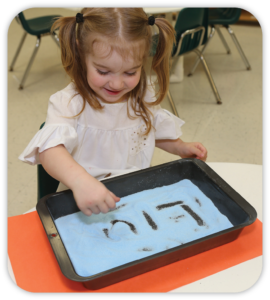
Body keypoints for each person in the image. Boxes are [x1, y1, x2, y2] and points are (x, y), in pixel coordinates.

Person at [19, 7, 207, 217]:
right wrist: (81, 182)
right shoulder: (68, 102)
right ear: (81, 52)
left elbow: (150, 131)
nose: (117, 83)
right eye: (103, 71)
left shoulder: (143, 94)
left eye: (130, 72)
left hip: (133, 196)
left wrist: (180, 147)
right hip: (81, 202)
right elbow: (50, 151)